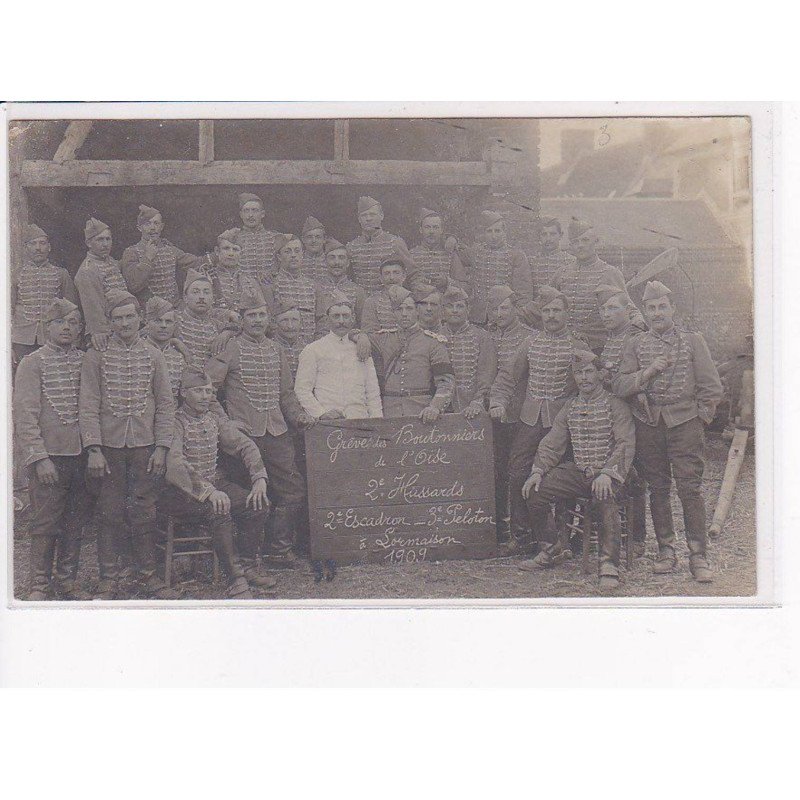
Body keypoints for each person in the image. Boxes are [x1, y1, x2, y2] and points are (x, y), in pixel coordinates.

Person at [613, 280, 723, 582]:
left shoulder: (692, 340)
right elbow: (621, 385)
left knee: (689, 488)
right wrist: (645, 375)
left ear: (672, 308)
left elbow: (711, 387)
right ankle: (666, 550)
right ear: (645, 312)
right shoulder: (635, 344)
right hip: (649, 424)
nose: (657, 313)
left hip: (685, 423)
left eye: (663, 306)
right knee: (658, 489)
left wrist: (700, 419)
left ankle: (699, 555)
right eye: (651, 308)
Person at [79, 289, 178, 600]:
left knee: (144, 510)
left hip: (144, 446)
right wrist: (94, 448)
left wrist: (161, 447)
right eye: (118, 318)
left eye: (129, 316)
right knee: (108, 511)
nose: (124, 323)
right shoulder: (97, 355)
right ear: (110, 322)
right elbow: (89, 402)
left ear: (140, 319)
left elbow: (165, 403)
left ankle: (149, 576)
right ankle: (108, 579)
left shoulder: (154, 355)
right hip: (108, 447)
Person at [206, 289, 314, 568]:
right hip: (243, 437)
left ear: (269, 319)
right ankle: (247, 558)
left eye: (261, 315)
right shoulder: (230, 348)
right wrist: (225, 421)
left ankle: (278, 550)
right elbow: (207, 390)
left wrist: (299, 416)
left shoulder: (275, 348)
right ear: (241, 319)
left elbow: (286, 394)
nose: (257, 320)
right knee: (246, 497)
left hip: (277, 432)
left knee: (293, 490)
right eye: (251, 315)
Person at [521, 349, 635, 591]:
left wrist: (607, 473)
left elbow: (625, 443)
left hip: (610, 472)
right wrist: (538, 470)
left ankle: (608, 564)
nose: (584, 378)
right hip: (580, 471)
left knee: (604, 494)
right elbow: (553, 442)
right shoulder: (570, 406)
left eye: (588, 372)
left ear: (600, 375)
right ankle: (553, 547)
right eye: (578, 373)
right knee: (535, 490)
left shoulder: (616, 405)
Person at [162, 366, 275, 599]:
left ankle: (247, 566)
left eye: (209, 391)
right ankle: (235, 579)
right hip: (181, 493)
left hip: (214, 484)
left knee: (257, 503)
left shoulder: (214, 419)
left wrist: (259, 478)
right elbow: (175, 466)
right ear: (184, 393)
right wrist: (209, 491)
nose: (206, 396)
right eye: (199, 391)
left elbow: (244, 445)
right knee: (219, 508)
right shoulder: (175, 422)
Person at [490, 286, 583, 553]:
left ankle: (561, 538)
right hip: (529, 419)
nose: (551, 316)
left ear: (566, 313)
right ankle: (521, 537)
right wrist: (498, 401)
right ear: (540, 314)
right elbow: (509, 376)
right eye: (546, 311)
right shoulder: (530, 343)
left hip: (563, 424)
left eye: (556, 310)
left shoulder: (577, 345)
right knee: (518, 471)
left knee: (563, 477)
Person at [14, 299, 93, 600]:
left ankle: (67, 581)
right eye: (60, 322)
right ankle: (39, 584)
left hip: (81, 454)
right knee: (46, 521)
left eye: (73, 322)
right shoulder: (32, 363)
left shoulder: (85, 360)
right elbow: (25, 415)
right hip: (49, 458)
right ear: (47, 327)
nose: (67, 328)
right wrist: (39, 457)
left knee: (75, 519)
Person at [596, 283, 648, 555]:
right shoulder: (612, 337)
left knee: (635, 473)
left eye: (612, 308)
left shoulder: (637, 335)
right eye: (603, 309)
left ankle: (637, 537)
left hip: (635, 411)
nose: (606, 313)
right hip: (613, 411)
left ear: (628, 310)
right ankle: (613, 530)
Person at [354, 285, 454, 420]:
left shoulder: (433, 342)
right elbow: (349, 332)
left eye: (409, 308)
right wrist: (361, 336)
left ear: (418, 311)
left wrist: (434, 407)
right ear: (393, 313)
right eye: (399, 309)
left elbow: (446, 382)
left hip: (421, 412)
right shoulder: (384, 338)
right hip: (389, 411)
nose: (404, 314)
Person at [487, 285, 535, 541]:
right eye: (495, 309)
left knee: (519, 470)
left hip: (521, 413)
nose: (500, 313)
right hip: (495, 411)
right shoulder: (488, 337)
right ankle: (500, 527)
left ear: (515, 309)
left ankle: (522, 529)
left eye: (505, 307)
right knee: (498, 471)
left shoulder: (530, 336)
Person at [553, 217, 639, 352]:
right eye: (575, 242)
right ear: (571, 246)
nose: (580, 245)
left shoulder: (610, 273)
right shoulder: (560, 274)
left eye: (585, 240)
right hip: (565, 346)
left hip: (598, 347)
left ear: (595, 242)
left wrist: (639, 323)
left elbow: (628, 307)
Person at [295, 292, 383, 420]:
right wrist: (321, 413)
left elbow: (372, 391)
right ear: (327, 319)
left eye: (345, 316)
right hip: (328, 422)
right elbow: (302, 389)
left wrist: (377, 420)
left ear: (352, 318)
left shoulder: (361, 348)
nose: (341, 321)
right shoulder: (313, 350)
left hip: (360, 419)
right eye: (336, 316)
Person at [11, 224, 78, 367]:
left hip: (51, 339)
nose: (38, 248)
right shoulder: (16, 276)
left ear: (49, 247)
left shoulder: (61, 274)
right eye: (33, 243)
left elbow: (72, 311)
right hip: (21, 340)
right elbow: (6, 313)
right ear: (26, 248)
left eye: (42, 243)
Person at [457, 210, 533, 326]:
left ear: (504, 232)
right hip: (478, 317)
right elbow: (456, 253)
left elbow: (524, 293)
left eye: (497, 231)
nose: (493, 236)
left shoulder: (516, 256)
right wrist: (450, 239)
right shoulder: (475, 252)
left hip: (505, 316)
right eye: (489, 231)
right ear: (484, 233)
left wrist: (517, 317)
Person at [120, 205, 201, 307]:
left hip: (174, 309)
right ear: (139, 228)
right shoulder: (131, 252)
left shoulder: (170, 250)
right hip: (149, 312)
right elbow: (133, 285)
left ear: (161, 227)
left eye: (156, 223)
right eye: (147, 224)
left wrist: (216, 257)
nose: (152, 228)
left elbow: (194, 262)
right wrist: (148, 258)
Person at [439, 286, 497, 416]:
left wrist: (477, 402)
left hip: (472, 407)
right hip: (440, 409)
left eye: (459, 306)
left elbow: (486, 375)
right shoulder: (435, 336)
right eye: (449, 306)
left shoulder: (482, 337)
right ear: (443, 310)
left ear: (468, 309)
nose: (454, 311)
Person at [74, 218, 128, 351]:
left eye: (108, 239)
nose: (105, 244)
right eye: (100, 240)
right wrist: (101, 333)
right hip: (104, 333)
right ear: (89, 243)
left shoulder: (112, 262)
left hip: (121, 325)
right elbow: (93, 307)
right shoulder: (87, 270)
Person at [175, 269, 238, 366]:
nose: (201, 297)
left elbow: (244, 326)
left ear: (213, 298)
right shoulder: (173, 319)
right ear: (185, 297)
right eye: (196, 292)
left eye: (206, 292)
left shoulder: (217, 324)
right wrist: (174, 342)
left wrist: (227, 333)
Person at [263, 233, 319, 343]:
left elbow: (322, 320)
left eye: (297, 251)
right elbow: (267, 319)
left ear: (302, 254)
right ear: (279, 257)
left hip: (311, 346)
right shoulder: (270, 284)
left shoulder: (313, 286)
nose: (293, 255)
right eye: (287, 251)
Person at [346, 196, 408, 294]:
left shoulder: (395, 242)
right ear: (359, 219)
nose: (368, 219)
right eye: (364, 215)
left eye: (372, 214)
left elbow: (412, 274)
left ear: (382, 215)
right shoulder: (351, 247)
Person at [408, 207, 468, 290]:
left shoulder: (450, 255)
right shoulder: (411, 255)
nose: (431, 231)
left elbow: (465, 286)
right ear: (421, 230)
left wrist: (447, 281)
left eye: (435, 227)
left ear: (441, 230)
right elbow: (404, 284)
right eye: (427, 227)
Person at [315, 238, 366, 330]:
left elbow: (362, 324)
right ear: (324, 262)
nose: (336, 262)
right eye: (332, 258)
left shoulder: (358, 291)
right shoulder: (315, 288)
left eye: (341, 258)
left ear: (347, 263)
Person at [143, 296, 187, 399]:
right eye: (158, 321)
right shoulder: (138, 351)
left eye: (168, 322)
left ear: (175, 325)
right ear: (147, 322)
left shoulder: (179, 358)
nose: (163, 326)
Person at [361, 250, 411, 333]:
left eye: (396, 273)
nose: (391, 278)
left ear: (404, 276)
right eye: (387, 273)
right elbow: (369, 332)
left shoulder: (413, 298)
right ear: (381, 278)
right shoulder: (372, 302)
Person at [236, 192, 278, 283]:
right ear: (241, 214)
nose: (250, 215)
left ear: (262, 214)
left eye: (254, 210)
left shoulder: (275, 237)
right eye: (246, 211)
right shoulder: (234, 238)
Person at [533, 217, 575, 289]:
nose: (548, 239)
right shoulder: (532, 262)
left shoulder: (571, 261)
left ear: (560, 235)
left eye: (552, 234)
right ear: (539, 237)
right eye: (544, 234)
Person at [270, 300, 309, 380]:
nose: (290, 326)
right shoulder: (269, 348)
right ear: (275, 323)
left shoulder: (308, 348)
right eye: (284, 320)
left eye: (294, 320)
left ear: (301, 323)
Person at [301, 215, 328, 283]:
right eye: (309, 237)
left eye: (318, 237)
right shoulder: (297, 260)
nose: (314, 241)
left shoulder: (330, 259)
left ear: (324, 239)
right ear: (303, 239)